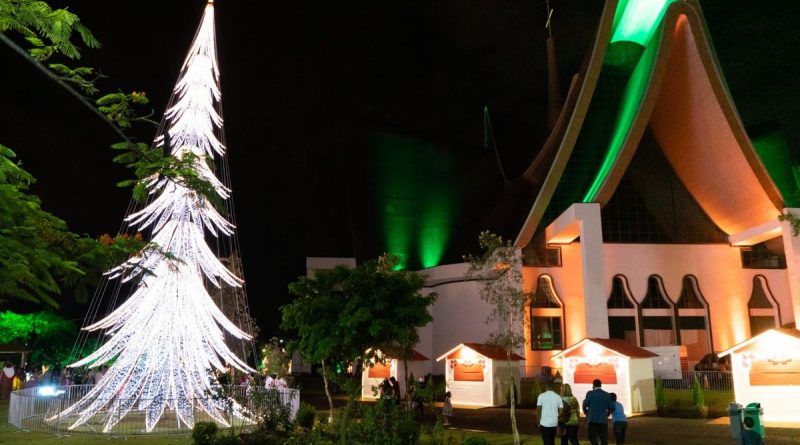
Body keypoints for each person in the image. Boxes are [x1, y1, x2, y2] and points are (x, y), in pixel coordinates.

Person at [582, 379, 613, 445]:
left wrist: (586, 412)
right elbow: (610, 407)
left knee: (592, 438)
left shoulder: (590, 393)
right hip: (603, 420)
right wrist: (607, 414)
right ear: (600, 385)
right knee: (603, 439)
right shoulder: (607, 394)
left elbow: (585, 404)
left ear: (593, 385)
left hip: (592, 419)